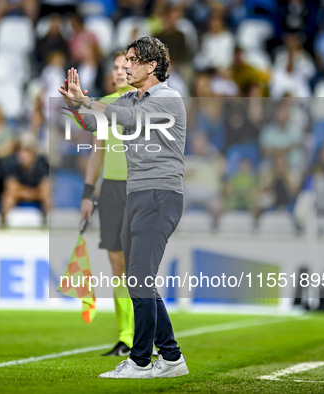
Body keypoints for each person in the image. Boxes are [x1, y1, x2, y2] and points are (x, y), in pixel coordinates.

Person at [59, 36, 188, 379]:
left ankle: (141, 360)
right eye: (125, 59)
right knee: (138, 279)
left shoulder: (168, 98)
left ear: (151, 66)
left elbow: (130, 119)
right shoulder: (130, 98)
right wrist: (75, 105)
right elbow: (92, 124)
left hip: (161, 195)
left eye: (132, 60)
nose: (126, 65)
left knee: (140, 279)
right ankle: (172, 358)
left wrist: (87, 99)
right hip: (137, 195)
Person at [79, 51, 138, 357]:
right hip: (112, 189)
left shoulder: (146, 101)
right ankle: (126, 337)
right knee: (117, 265)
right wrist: (89, 193)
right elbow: (97, 153)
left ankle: (142, 335)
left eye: (123, 67)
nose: (118, 72)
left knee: (138, 266)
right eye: (115, 68)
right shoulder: (105, 104)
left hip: (140, 187)